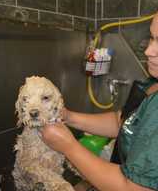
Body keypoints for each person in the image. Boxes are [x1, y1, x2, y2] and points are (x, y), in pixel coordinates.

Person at [41, 12, 158, 191]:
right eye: (152, 37)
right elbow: (123, 123)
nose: (148, 51)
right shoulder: (153, 84)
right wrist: (68, 117)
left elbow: (134, 188)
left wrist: (69, 146)